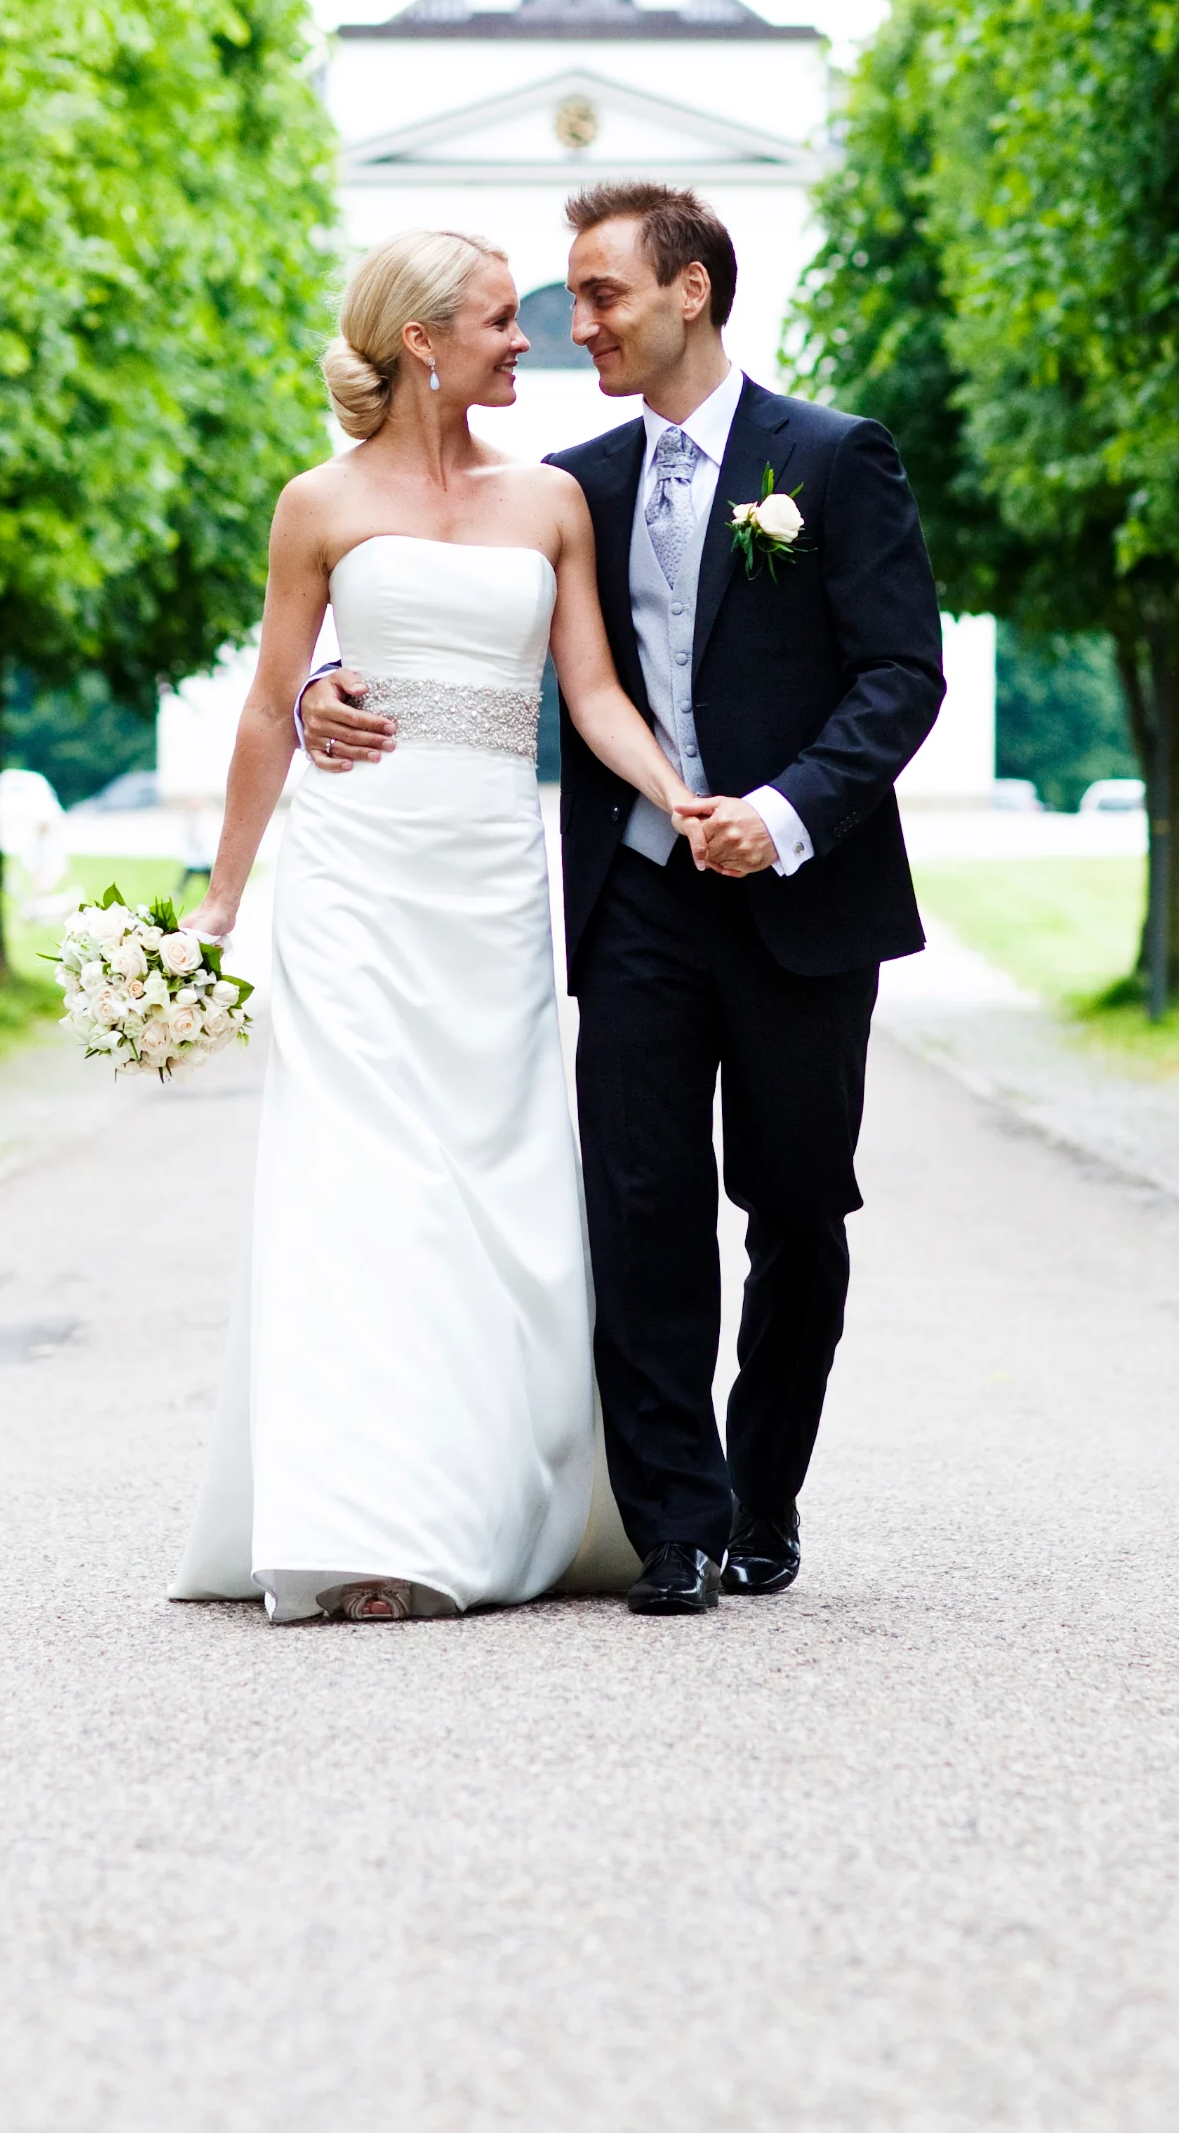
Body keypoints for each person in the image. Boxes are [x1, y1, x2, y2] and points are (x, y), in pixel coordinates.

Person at [301, 184, 945, 1614]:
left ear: (691, 293)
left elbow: (900, 676)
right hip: (636, 903)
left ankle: (764, 1494)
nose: (570, 323)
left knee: (792, 1204)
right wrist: (317, 684)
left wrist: (778, 818)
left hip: (800, 898)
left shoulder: (832, 462)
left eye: (598, 297)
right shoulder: (569, 483)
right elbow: (429, 590)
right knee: (637, 1204)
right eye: (564, 302)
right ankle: (677, 1521)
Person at [171, 228, 707, 1623]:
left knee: (495, 1183)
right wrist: (217, 906)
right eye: (495, 319)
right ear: (421, 340)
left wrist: (685, 797)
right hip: (353, 876)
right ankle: (368, 1521)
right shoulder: (317, 504)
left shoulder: (549, 504)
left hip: (486, 880)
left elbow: (590, 696)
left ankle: (495, 1501)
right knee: (363, 1184)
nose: (524, 335)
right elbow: (266, 703)